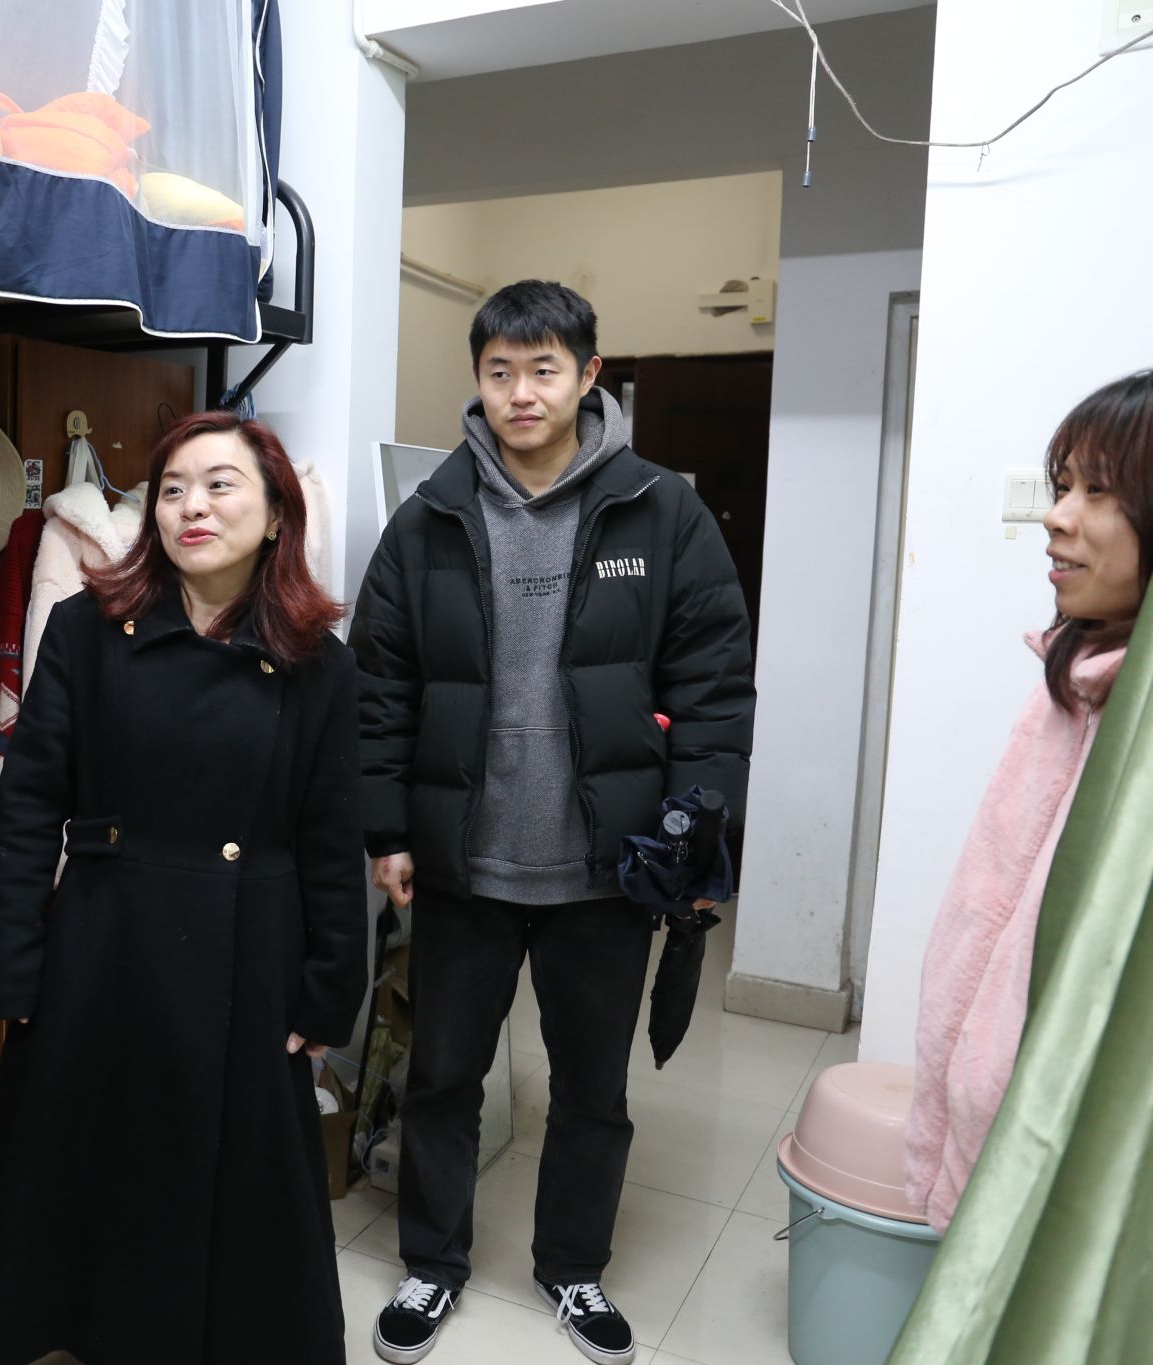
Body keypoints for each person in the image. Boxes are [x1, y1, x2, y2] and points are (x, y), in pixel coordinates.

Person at [351, 280, 755, 1365]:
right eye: (499, 371)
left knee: (592, 1089)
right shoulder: (428, 518)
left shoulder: (659, 512)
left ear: (587, 375)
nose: (520, 392)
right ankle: (431, 1265)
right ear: (477, 381)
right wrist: (386, 830)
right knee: (442, 1076)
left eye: (543, 369)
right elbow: (380, 689)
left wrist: (696, 822)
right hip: (462, 862)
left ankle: (572, 1267)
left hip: (605, 868)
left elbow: (714, 684)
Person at [0, 411, 368, 1365]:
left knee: (237, 1208)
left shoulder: (319, 663)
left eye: (221, 485)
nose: (192, 506)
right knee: (87, 1178)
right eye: (174, 488)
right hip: (103, 948)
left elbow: (328, 839)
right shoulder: (86, 631)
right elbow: (28, 810)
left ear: (276, 516)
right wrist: (11, 966)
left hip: (248, 958)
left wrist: (329, 988)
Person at [904, 370, 1153, 1235]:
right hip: (997, 1116)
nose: (1057, 516)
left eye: (1100, 490)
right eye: (1062, 485)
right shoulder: (1074, 679)